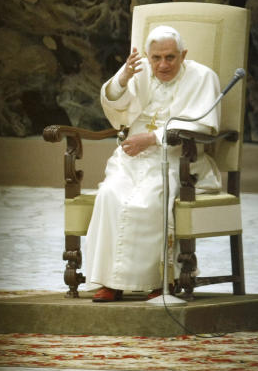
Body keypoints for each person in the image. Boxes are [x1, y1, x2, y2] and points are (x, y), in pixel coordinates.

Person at [84, 25, 223, 302]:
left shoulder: (203, 77)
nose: (162, 65)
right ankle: (110, 283)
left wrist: (153, 138)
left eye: (170, 57)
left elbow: (205, 127)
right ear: (148, 57)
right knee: (110, 195)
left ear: (183, 54)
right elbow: (114, 103)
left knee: (148, 201)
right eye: (156, 58)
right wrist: (122, 78)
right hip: (132, 160)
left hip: (176, 159)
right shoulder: (140, 72)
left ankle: (161, 281)